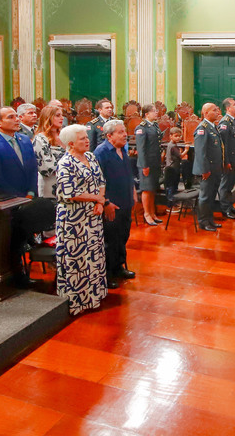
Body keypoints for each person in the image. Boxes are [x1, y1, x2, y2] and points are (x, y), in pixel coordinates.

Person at [0, 106, 41, 289]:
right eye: (11, 117)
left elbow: (32, 168)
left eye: (16, 116)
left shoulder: (24, 140)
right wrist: (18, 196)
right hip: (7, 201)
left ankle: (20, 274)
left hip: (27, 197)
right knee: (10, 241)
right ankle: (13, 276)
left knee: (22, 238)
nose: (16, 120)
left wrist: (30, 192)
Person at [53, 123, 109, 315]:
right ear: (70, 143)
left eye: (86, 137)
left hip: (93, 216)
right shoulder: (65, 163)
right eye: (82, 138)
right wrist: (97, 199)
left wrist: (100, 203)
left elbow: (101, 181)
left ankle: (94, 296)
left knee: (93, 256)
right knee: (77, 259)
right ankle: (78, 301)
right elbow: (70, 193)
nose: (87, 140)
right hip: (72, 219)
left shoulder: (91, 157)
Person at [94, 119, 135, 288]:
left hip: (125, 201)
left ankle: (119, 266)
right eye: (120, 132)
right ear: (109, 135)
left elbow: (127, 174)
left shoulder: (122, 149)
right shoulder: (101, 152)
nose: (125, 134)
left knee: (123, 236)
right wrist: (106, 203)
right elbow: (98, 181)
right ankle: (107, 273)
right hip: (111, 205)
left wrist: (133, 192)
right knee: (110, 239)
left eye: (124, 131)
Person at [192, 102, 224, 231]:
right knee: (205, 197)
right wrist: (204, 170)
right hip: (207, 170)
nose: (217, 112)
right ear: (206, 113)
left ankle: (210, 220)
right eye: (214, 110)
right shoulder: (202, 128)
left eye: (217, 110)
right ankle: (203, 222)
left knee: (211, 196)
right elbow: (200, 152)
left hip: (215, 169)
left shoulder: (212, 127)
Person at [134, 103, 163, 225]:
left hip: (155, 162)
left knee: (152, 189)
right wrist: (144, 165)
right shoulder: (142, 128)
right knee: (146, 189)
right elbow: (141, 149)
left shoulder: (155, 126)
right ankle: (146, 214)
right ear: (147, 114)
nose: (156, 113)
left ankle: (152, 212)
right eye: (154, 111)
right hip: (146, 163)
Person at [217, 100, 235, 219]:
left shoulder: (233, 121)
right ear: (228, 108)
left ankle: (230, 206)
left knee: (231, 184)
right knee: (225, 184)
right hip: (229, 160)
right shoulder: (224, 123)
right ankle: (225, 209)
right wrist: (226, 161)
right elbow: (224, 145)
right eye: (234, 105)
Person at [33, 103, 66, 199]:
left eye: (62, 115)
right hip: (51, 184)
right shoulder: (41, 138)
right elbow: (47, 167)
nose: (62, 118)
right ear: (48, 117)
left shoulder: (64, 135)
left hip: (69, 183)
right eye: (58, 115)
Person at [163, 127, 183, 204]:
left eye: (179, 136)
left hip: (170, 167)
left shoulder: (170, 144)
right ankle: (171, 203)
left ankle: (172, 202)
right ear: (170, 136)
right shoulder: (173, 146)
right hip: (173, 168)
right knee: (172, 186)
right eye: (176, 136)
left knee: (172, 185)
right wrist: (186, 150)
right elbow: (180, 156)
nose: (178, 138)